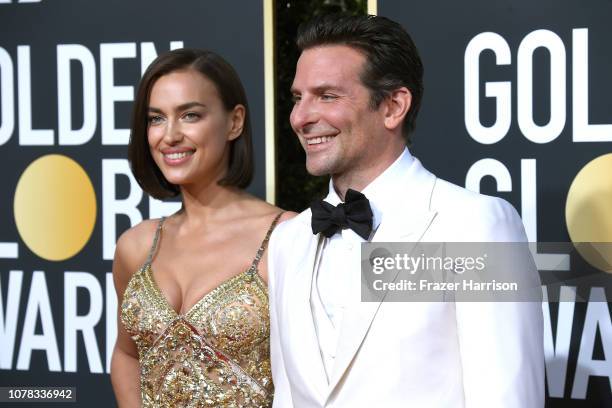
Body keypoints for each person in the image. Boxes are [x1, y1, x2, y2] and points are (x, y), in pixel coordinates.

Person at [267, 14, 544, 407]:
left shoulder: (473, 225)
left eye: (327, 96)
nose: (300, 118)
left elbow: (507, 399)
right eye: (298, 98)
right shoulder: (288, 241)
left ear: (394, 106)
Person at [110, 48, 293, 407]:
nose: (170, 135)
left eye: (190, 115)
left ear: (235, 122)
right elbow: (126, 354)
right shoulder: (137, 245)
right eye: (156, 119)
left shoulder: (286, 236)